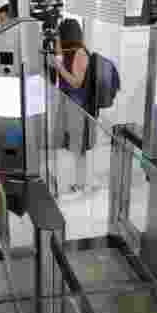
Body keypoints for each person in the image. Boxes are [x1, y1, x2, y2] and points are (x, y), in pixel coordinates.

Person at [51, 18, 91, 194]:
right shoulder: (69, 52)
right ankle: (78, 181)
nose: (58, 39)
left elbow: (76, 83)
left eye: (60, 35)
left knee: (78, 147)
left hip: (78, 106)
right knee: (74, 145)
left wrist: (59, 68)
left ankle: (81, 184)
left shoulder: (80, 53)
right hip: (69, 104)